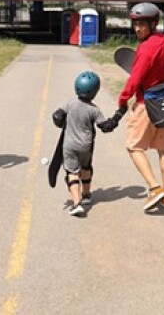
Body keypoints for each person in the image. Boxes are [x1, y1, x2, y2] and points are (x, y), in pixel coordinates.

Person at [109, 2, 164, 212]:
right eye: (135, 24)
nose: (137, 29)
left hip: (146, 105)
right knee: (163, 150)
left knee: (134, 146)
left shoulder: (146, 48)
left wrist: (122, 100)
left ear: (153, 23)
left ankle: (155, 187)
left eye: (142, 24)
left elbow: (135, 79)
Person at [52, 71, 118, 217]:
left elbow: (57, 115)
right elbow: (105, 127)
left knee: (72, 172)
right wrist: (117, 117)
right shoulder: (94, 110)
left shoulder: (70, 103)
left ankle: (77, 203)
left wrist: (60, 121)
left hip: (69, 145)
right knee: (86, 168)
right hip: (86, 146)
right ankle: (87, 195)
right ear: (95, 91)